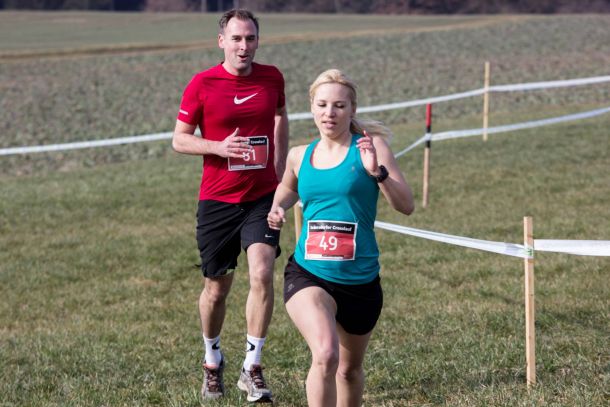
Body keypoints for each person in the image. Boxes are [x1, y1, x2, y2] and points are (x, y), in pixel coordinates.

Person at [267, 69, 414, 406]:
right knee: (326, 354)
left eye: (339, 105)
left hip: (360, 280)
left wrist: (377, 172)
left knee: (348, 370)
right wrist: (277, 208)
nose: (329, 113)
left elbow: (406, 205)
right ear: (312, 108)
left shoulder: (371, 148)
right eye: (322, 105)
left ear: (352, 109)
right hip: (309, 273)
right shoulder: (300, 155)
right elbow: (288, 188)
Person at [172, 8, 288, 403]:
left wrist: (281, 172)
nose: (244, 46)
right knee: (216, 289)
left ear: (258, 41)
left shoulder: (272, 77)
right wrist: (217, 147)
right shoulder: (202, 84)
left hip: (262, 196)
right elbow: (179, 139)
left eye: (250, 38)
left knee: (262, 273)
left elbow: (280, 116)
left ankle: (252, 367)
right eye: (236, 38)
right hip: (218, 199)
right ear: (221, 41)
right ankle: (212, 360)